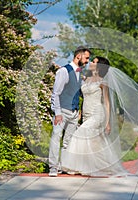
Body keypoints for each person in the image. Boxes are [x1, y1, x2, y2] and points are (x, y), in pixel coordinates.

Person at [61, 56, 138, 177]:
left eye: (94, 62)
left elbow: (107, 102)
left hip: (97, 113)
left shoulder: (102, 81)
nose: (91, 63)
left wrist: (108, 123)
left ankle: (79, 165)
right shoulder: (86, 79)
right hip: (86, 114)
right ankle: (98, 166)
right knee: (95, 142)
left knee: (80, 134)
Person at [48, 46, 91, 177]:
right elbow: (56, 93)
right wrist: (58, 113)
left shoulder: (79, 73)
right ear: (79, 56)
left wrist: (78, 110)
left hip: (73, 113)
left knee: (68, 141)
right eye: (86, 58)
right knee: (56, 137)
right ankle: (53, 167)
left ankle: (64, 165)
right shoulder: (64, 71)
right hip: (62, 111)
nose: (87, 61)